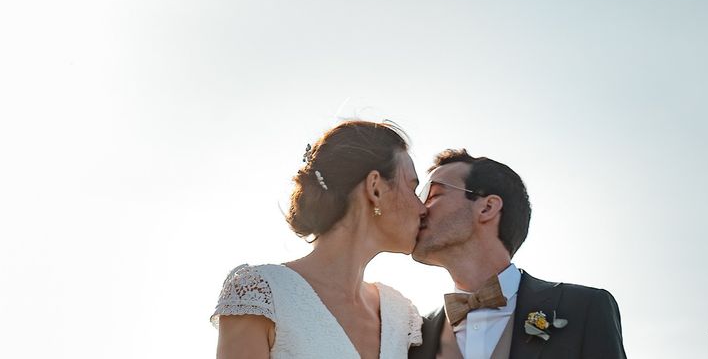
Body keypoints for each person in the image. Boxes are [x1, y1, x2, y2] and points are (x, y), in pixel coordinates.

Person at [211, 120, 428, 359]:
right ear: (375, 188)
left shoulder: (400, 315)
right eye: (413, 189)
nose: (423, 208)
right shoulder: (261, 294)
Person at [409, 149, 627, 359]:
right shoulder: (414, 336)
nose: (419, 209)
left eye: (433, 195)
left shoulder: (584, 308)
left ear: (487, 207)